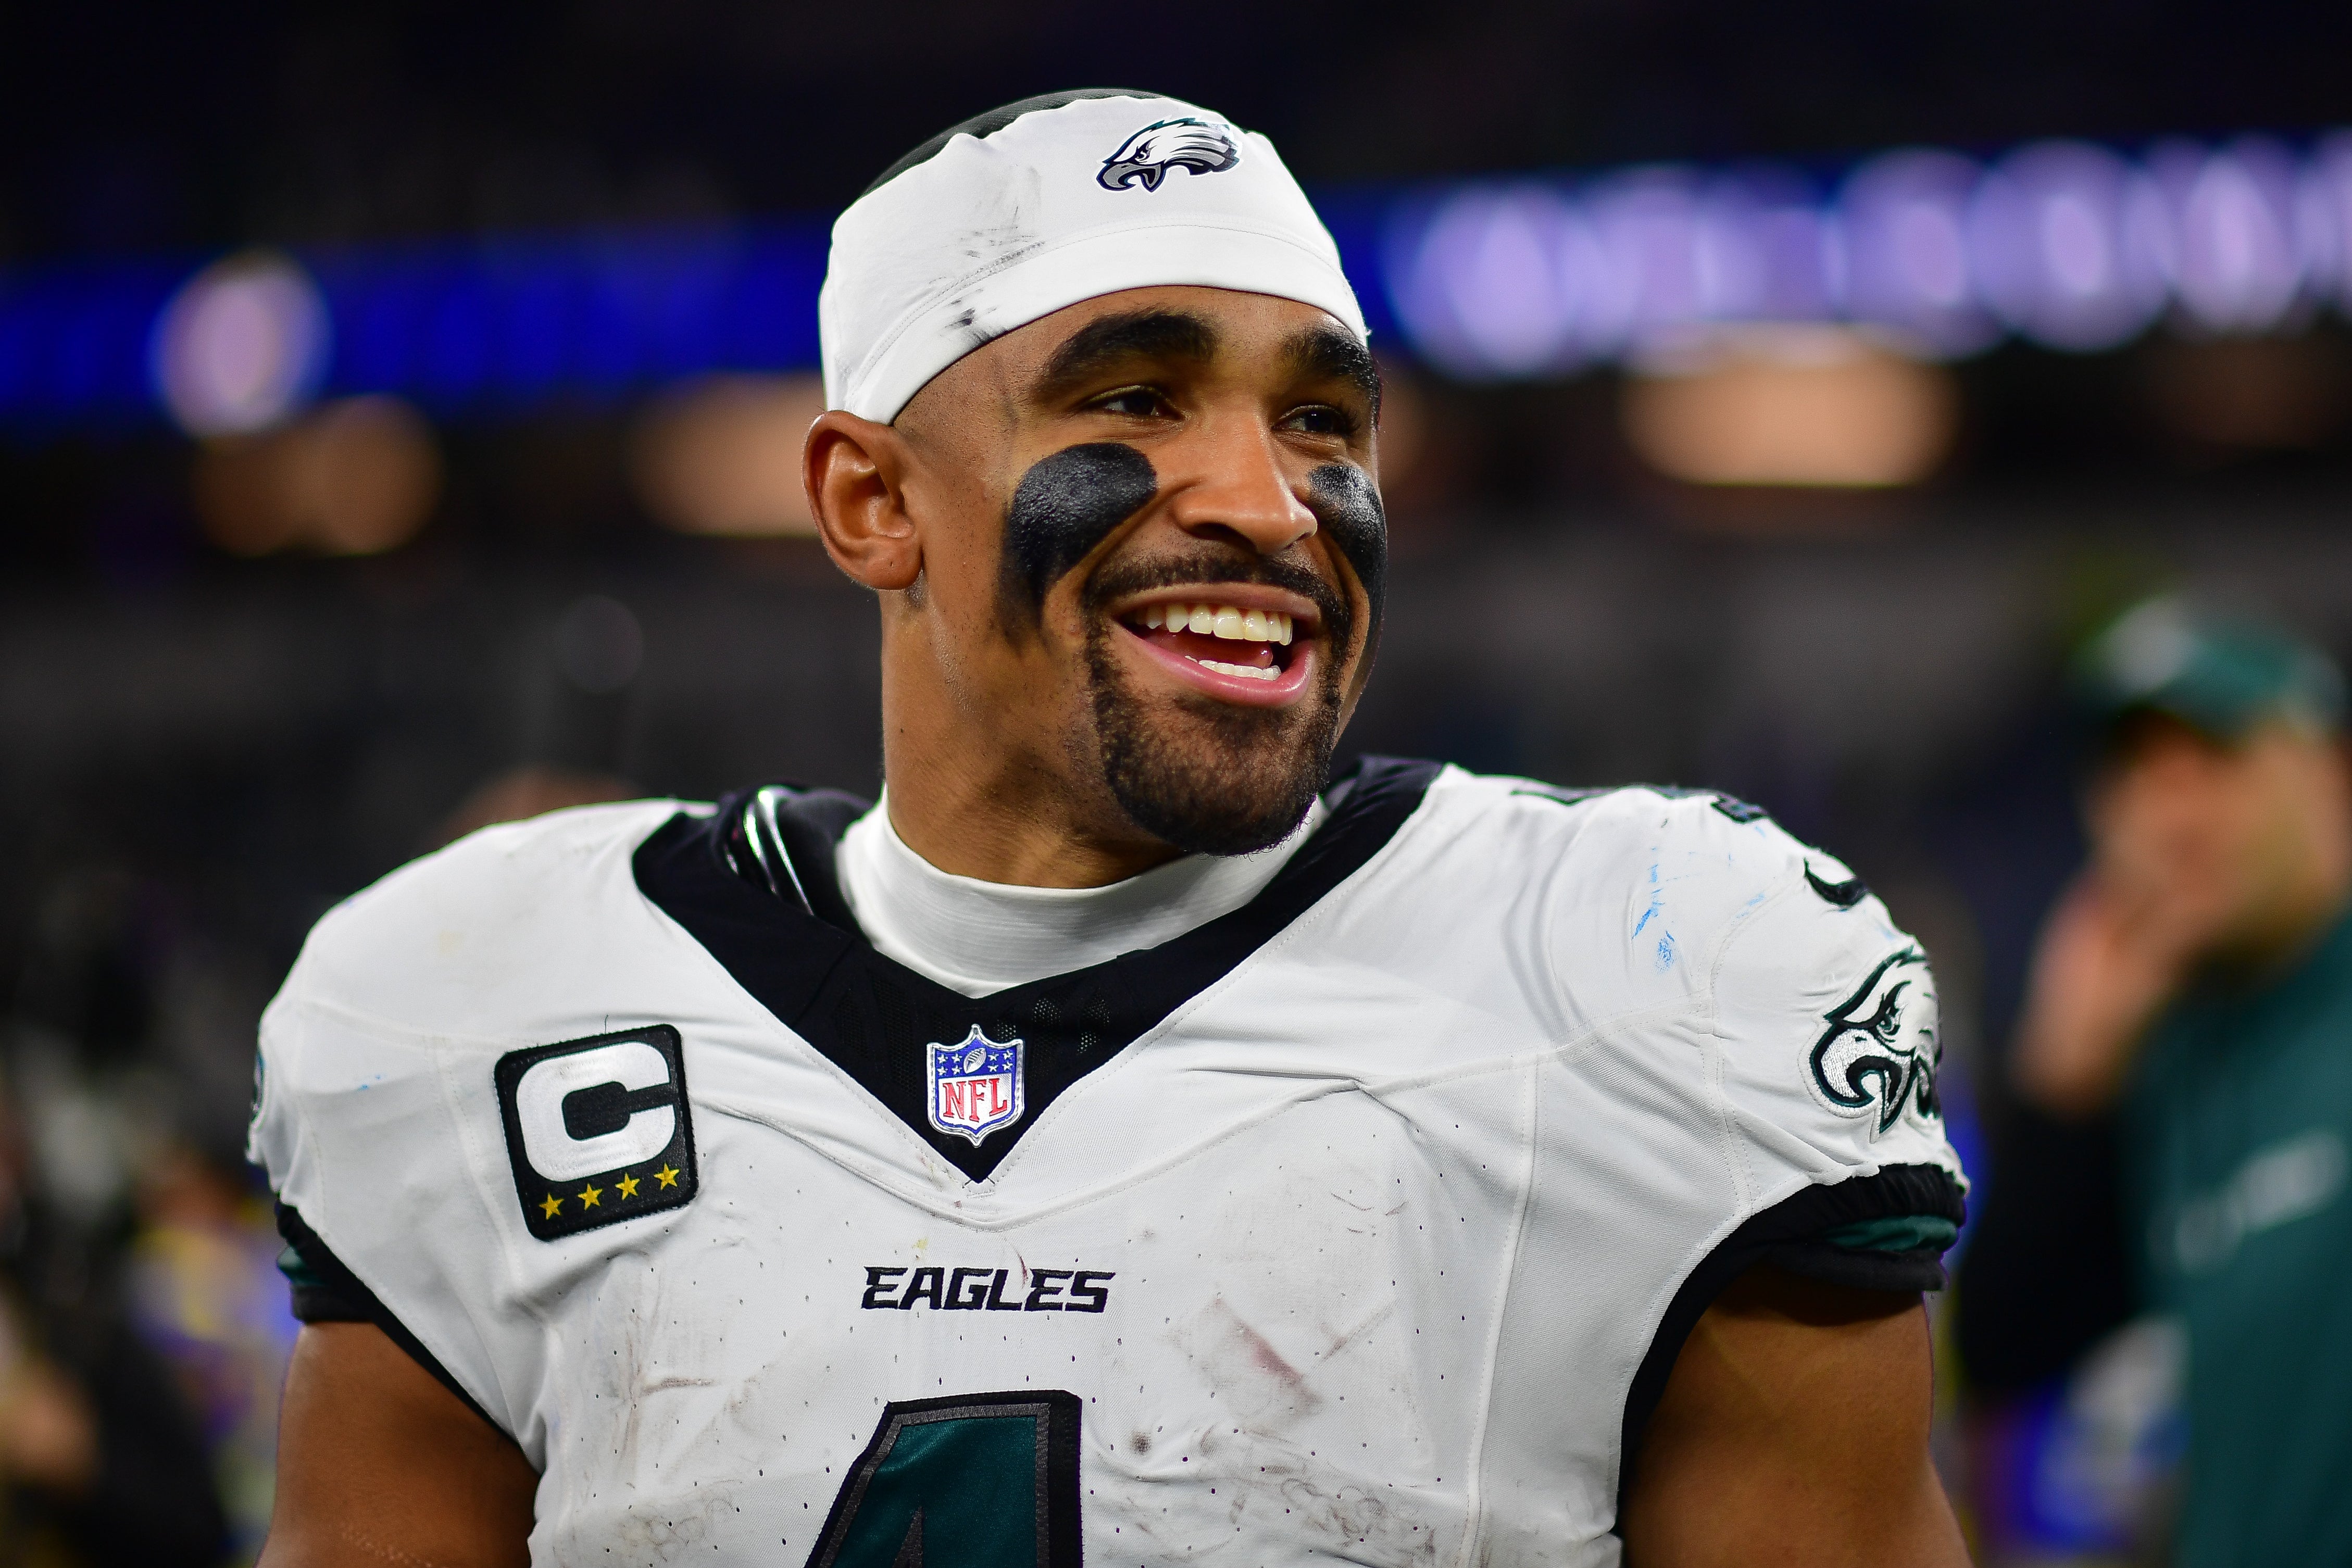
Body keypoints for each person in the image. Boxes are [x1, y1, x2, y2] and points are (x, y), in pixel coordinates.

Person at [250, 90, 1969, 1566]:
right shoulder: (482, 1000)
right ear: (870, 502)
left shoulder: (1645, 972)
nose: (1266, 499)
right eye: (1131, 401)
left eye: (1318, 418)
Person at [1959, 597, 2352, 1567]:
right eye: (2135, 774)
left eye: (2214, 763)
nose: (2167, 816)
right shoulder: (2173, 1056)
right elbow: (2008, 1348)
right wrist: (2066, 1083)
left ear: (2331, 774)